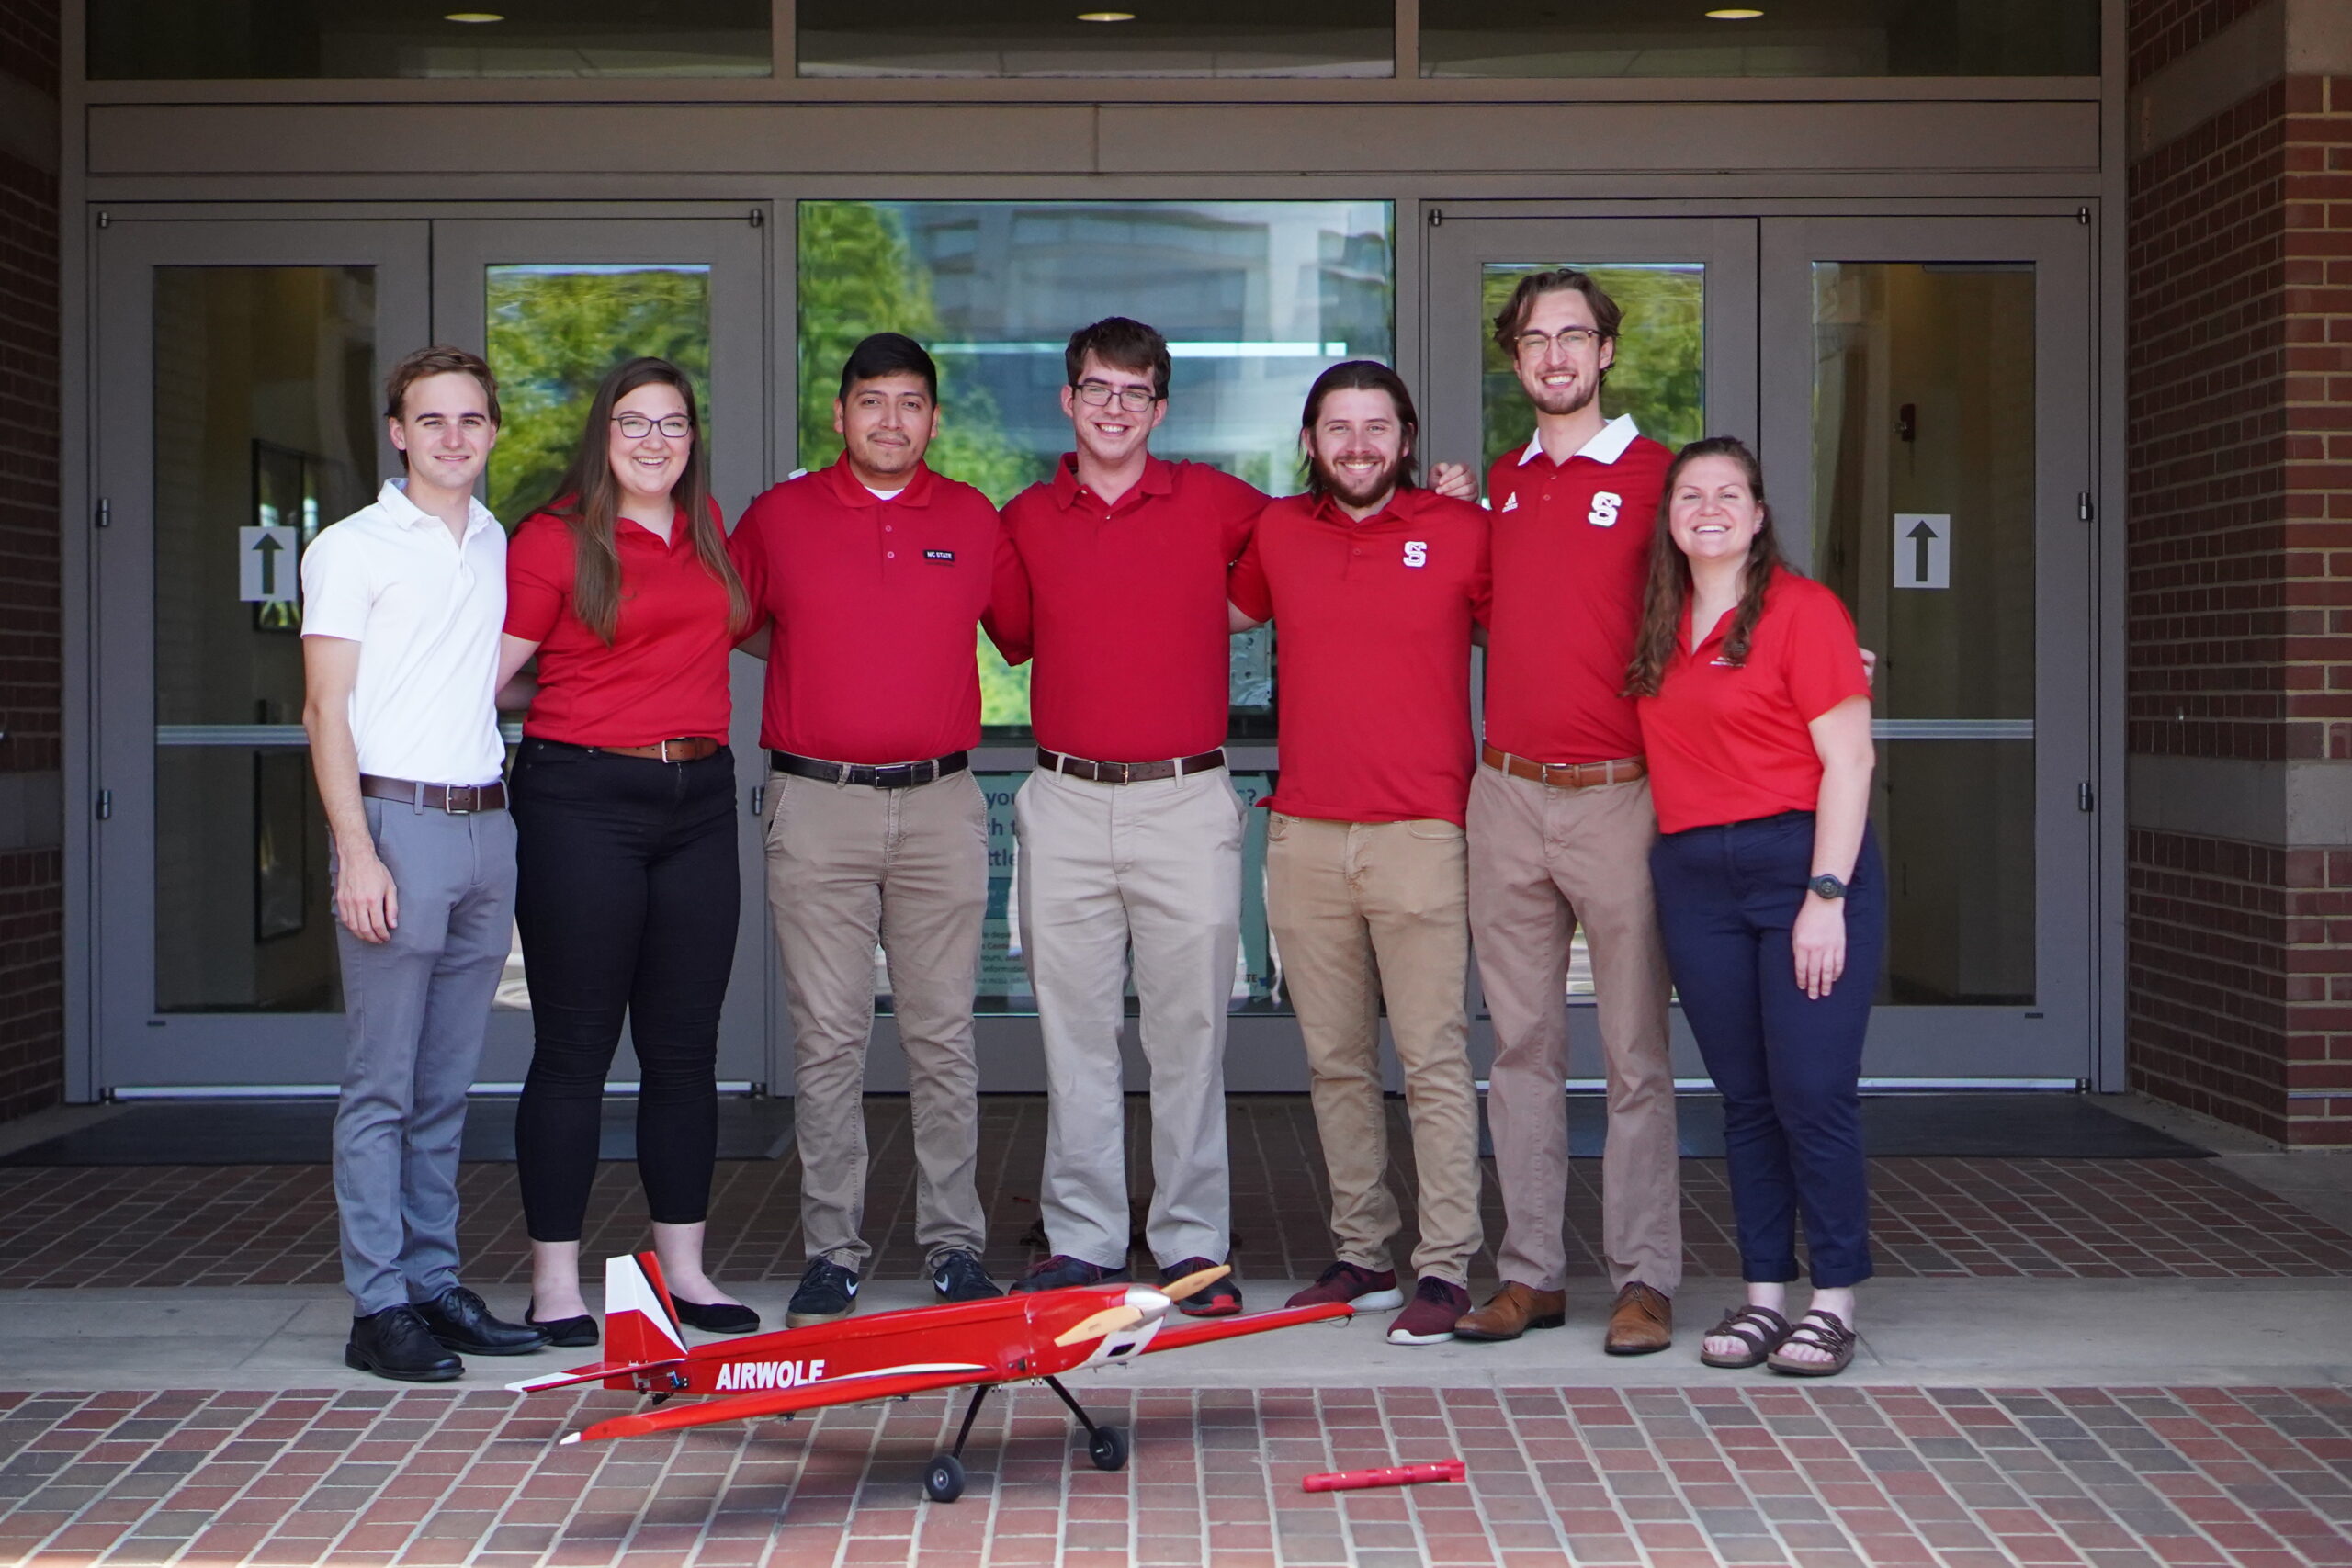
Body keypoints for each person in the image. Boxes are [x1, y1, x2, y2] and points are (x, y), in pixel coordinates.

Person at [728, 333, 1013, 1326]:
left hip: (940, 805)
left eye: (909, 404)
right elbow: (735, 619)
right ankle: (832, 1252)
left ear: (933, 420)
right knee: (829, 1042)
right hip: (819, 803)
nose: (889, 421)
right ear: (839, 415)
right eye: (870, 403)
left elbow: (1025, 625)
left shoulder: (973, 518)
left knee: (943, 1039)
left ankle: (953, 1248)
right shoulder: (781, 517)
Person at [990, 318, 1267, 1314]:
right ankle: (1084, 1241)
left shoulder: (1217, 502)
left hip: (1184, 799)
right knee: (1075, 1035)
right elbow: (1005, 636)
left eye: (1135, 394)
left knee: (1190, 1034)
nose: (1115, 410)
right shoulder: (1022, 517)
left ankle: (1191, 1246)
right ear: (1067, 402)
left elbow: (1324, 533)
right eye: (1097, 391)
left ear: (1160, 408)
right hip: (1063, 799)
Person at [494, 356, 755, 1347]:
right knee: (574, 1049)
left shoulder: (707, 531)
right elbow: (490, 682)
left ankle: (682, 1270)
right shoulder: (556, 538)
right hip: (581, 800)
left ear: (693, 438)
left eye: (674, 424)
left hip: (697, 797)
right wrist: (578, 706)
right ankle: (556, 1283)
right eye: (635, 423)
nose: (656, 441)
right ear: (603, 434)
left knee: (686, 1051)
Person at [1228, 360, 1488, 1348]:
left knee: (1430, 1058)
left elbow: (1551, 627)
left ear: (1407, 439)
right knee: (1333, 1060)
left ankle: (1445, 1264)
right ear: (1308, 442)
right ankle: (1364, 1253)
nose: (1357, 445)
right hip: (1302, 833)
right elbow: (1200, 611)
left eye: (1376, 427)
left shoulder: (1464, 532)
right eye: (1337, 427)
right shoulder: (1276, 534)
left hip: (1423, 832)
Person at [300, 344, 547, 1381]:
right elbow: (324, 709)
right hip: (396, 828)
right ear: (397, 433)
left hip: (490, 826)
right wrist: (355, 848)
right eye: (430, 419)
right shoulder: (353, 548)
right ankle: (378, 1304)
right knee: (382, 1088)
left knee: (447, 1085)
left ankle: (435, 1284)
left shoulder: (503, 542)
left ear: (493, 433)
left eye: (471, 420)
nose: (453, 436)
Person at [1453, 268, 1684, 1356]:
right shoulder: (1499, 485)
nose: (1553, 355)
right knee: (1521, 1050)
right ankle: (1531, 1273)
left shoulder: (1657, 478)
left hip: (1618, 795)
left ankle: (1642, 1277)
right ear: (1514, 359)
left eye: (1573, 336)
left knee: (1635, 1053)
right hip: (1504, 791)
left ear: (1604, 353)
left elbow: (1724, 597)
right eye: (1533, 339)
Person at [1627, 436, 1880, 1378]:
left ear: (1759, 514)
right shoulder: (1660, 618)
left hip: (1797, 862)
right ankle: (1766, 1295)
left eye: (1728, 493)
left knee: (1810, 1093)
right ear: (1670, 518)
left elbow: (1849, 761)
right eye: (1689, 494)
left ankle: (1835, 1299)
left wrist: (1827, 894)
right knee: (1744, 1101)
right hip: (1694, 875)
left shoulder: (1804, 612)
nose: (1708, 508)